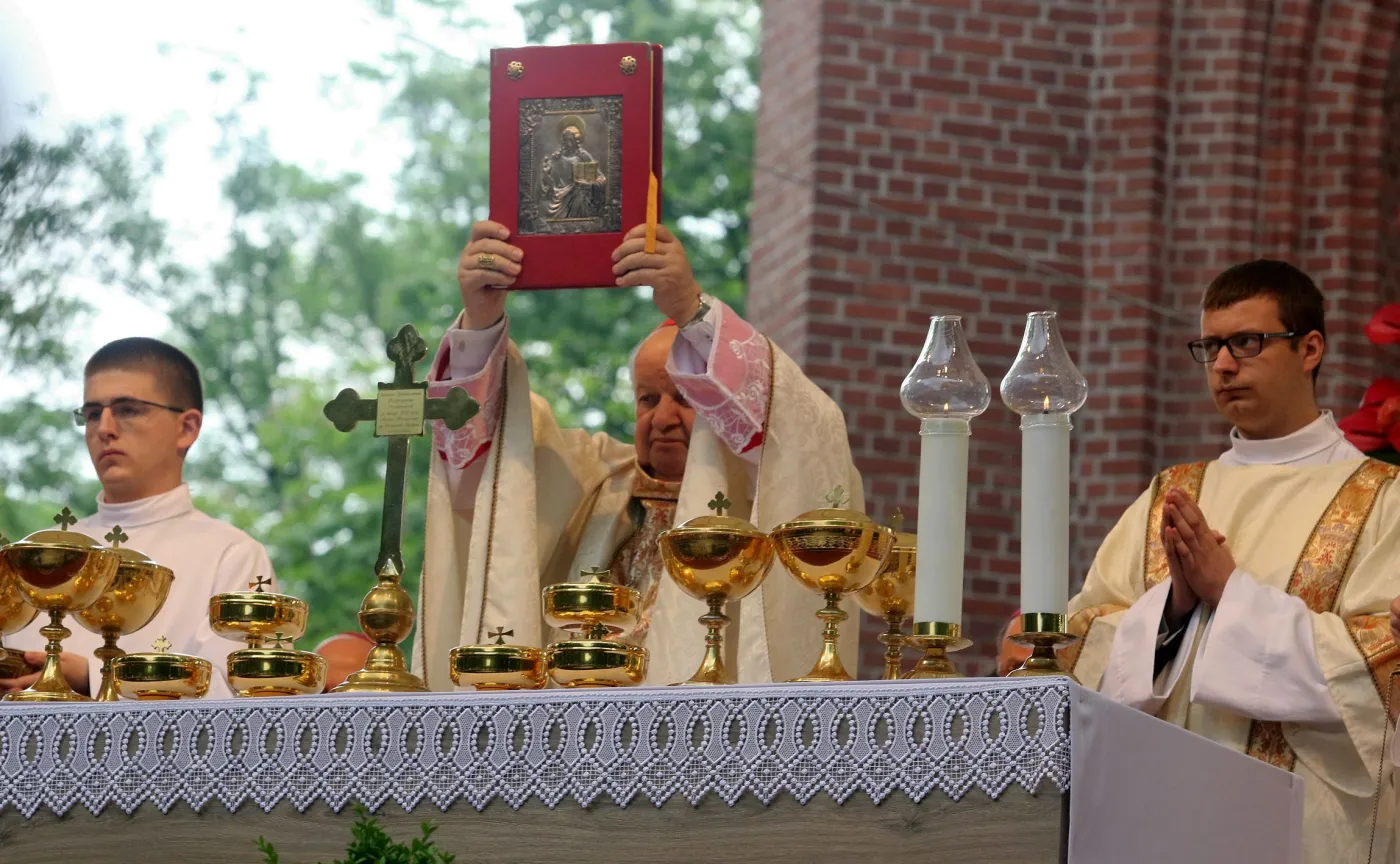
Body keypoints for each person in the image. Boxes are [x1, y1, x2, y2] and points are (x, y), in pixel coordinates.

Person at [413, 220, 862, 688]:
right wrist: (481, 323)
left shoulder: (756, 493)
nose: (664, 417)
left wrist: (690, 308)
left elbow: (804, 435)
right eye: (648, 399)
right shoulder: (594, 480)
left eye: (685, 399)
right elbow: (493, 462)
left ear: (723, 403)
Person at [1065, 260, 1400, 863]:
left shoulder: (1381, 498)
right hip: (1158, 819)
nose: (1222, 365)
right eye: (1211, 346)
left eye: (1248, 342)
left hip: (1304, 830)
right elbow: (1084, 637)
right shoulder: (1170, 493)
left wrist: (1230, 595)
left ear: (1310, 349)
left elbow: (1385, 660)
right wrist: (1174, 609)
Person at [0, 338, 276, 700]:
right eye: (93, 413)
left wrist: (95, 679)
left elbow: (249, 703)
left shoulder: (233, 555)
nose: (104, 428)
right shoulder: (40, 554)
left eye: (128, 409)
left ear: (186, 428)